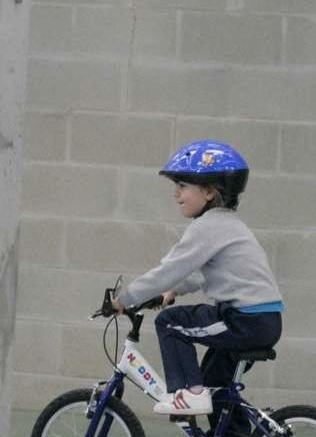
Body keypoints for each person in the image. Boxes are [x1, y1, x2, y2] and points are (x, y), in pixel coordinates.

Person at [111, 139, 283, 417]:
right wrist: (173, 292)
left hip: (244, 319)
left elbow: (169, 270)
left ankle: (188, 394)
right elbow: (201, 273)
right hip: (262, 320)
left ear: (209, 192)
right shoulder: (226, 224)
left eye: (182, 186)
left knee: (170, 323)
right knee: (217, 388)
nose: (176, 195)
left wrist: (124, 299)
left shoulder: (207, 227)